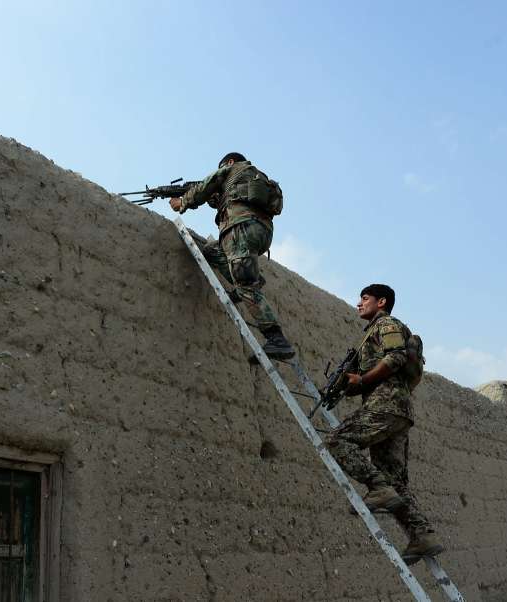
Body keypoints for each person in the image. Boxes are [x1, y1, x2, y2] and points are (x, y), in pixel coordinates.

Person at [325, 284, 443, 562]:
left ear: (382, 302)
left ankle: (377, 488)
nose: (358, 304)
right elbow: (369, 378)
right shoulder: (369, 334)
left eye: (364, 299)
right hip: (396, 412)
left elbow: (397, 358)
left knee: (336, 440)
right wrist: (349, 384)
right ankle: (422, 534)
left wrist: (363, 380)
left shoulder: (387, 324)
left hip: (387, 405)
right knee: (395, 481)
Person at [169, 152, 295, 360]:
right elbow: (229, 197)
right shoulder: (255, 178)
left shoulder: (234, 168)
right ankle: (244, 282)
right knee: (211, 251)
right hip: (260, 233)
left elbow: (206, 185)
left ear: (229, 162)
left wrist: (182, 202)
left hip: (240, 229)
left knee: (246, 285)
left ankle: (277, 339)